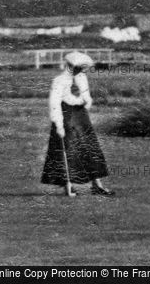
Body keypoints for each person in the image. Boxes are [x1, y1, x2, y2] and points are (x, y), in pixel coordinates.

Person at [41, 52, 114, 196]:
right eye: (80, 68)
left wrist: (86, 103)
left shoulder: (81, 78)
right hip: (66, 114)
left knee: (90, 148)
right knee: (67, 149)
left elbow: (87, 97)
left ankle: (97, 185)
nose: (81, 71)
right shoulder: (59, 80)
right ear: (71, 66)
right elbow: (54, 103)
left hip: (81, 115)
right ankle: (67, 186)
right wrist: (59, 125)